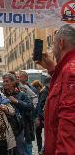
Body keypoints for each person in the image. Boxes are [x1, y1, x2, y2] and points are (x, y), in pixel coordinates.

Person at [36, 24, 75, 155]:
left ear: (61, 43)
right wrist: (53, 69)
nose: (52, 51)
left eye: (53, 45)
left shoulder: (70, 71)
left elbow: (70, 127)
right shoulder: (67, 70)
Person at [2, 73, 33, 155]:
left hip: (18, 128)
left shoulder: (21, 94)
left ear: (13, 82)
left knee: (19, 151)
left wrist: (16, 101)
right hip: (5, 128)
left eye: (7, 81)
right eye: (3, 81)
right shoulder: (0, 95)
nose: (5, 83)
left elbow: (30, 107)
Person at [33, 77, 50, 154]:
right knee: (43, 134)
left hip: (39, 116)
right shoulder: (45, 91)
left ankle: (41, 149)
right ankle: (42, 149)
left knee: (40, 134)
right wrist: (43, 117)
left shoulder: (44, 90)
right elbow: (41, 105)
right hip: (41, 117)